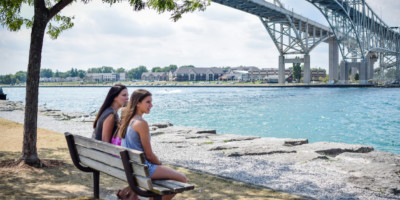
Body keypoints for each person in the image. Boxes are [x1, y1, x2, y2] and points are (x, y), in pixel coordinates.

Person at [120, 89, 186, 200]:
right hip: (142, 168)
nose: (151, 105)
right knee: (182, 179)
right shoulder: (141, 123)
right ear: (138, 103)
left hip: (132, 167)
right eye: (148, 102)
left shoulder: (128, 121)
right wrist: (160, 164)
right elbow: (149, 155)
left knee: (166, 175)